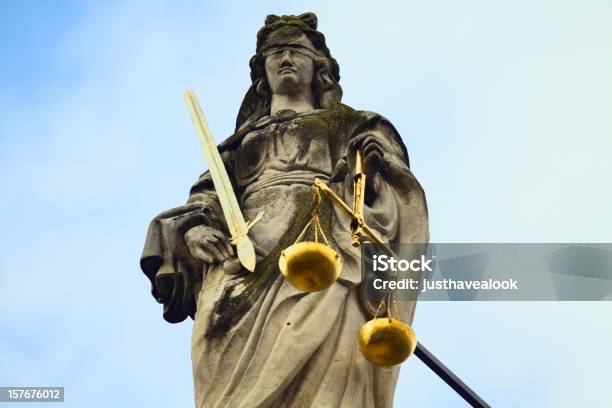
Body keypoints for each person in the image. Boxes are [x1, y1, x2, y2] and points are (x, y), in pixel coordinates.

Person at [140, 13, 429, 408]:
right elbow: (205, 199)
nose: (285, 59)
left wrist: (374, 170)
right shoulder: (237, 146)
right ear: (262, 71)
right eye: (275, 54)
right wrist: (195, 230)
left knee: (329, 361)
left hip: (326, 252)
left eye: (296, 52)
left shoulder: (352, 125)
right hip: (242, 262)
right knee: (215, 336)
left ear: (318, 67)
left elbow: (392, 193)